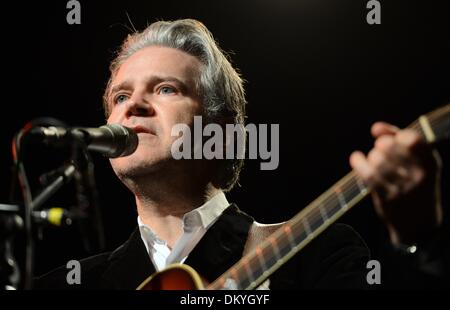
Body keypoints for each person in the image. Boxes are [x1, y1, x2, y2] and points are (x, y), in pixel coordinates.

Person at [34, 19, 447, 290]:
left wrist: (420, 238)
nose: (133, 105)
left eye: (165, 89)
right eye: (120, 95)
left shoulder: (313, 254)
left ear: (222, 131)